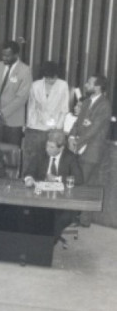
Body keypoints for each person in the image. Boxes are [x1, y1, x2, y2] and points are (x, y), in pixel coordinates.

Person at [68, 74, 112, 225]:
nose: (86, 85)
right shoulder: (86, 102)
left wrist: (77, 142)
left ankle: (83, 219)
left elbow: (94, 129)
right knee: (82, 183)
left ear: (98, 87)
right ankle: (80, 218)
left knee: (85, 184)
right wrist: (71, 137)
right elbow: (77, 123)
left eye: (89, 83)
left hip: (91, 151)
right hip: (79, 149)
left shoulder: (105, 105)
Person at [23, 61, 70, 163]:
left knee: (48, 157)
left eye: (54, 77)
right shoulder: (35, 85)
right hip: (37, 127)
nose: (51, 80)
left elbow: (64, 108)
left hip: (54, 127)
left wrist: (57, 128)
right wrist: (30, 125)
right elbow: (32, 107)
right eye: (48, 78)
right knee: (33, 156)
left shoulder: (63, 85)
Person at [0, 40, 32, 146]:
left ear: (16, 55)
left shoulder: (25, 70)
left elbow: (22, 98)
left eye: (7, 56)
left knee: (11, 153)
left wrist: (2, 113)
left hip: (13, 121)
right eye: (3, 55)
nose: (4, 58)